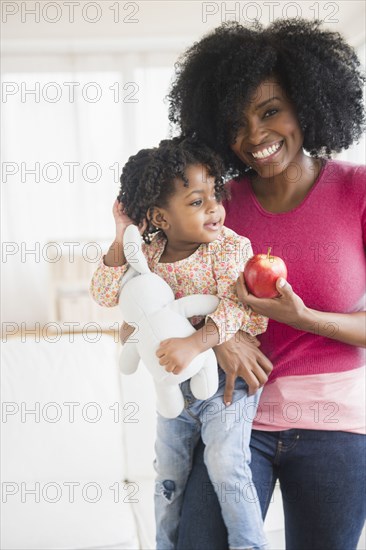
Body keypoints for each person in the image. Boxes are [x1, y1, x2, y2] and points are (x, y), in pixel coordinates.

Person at [167, 18, 366, 550]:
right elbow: (169, 285)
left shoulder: (358, 191)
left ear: (308, 102)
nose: (254, 136)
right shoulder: (215, 204)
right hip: (230, 419)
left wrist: (303, 319)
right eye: (236, 122)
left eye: (270, 110)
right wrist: (221, 335)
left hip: (335, 428)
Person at [90, 137, 271, 550]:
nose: (214, 207)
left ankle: (251, 545)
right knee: (168, 474)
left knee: (226, 465)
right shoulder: (147, 254)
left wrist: (194, 342)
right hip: (172, 389)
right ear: (160, 217)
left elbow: (240, 309)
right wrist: (121, 235)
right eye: (195, 201)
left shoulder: (229, 247)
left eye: (214, 194)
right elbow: (104, 294)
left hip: (228, 383)